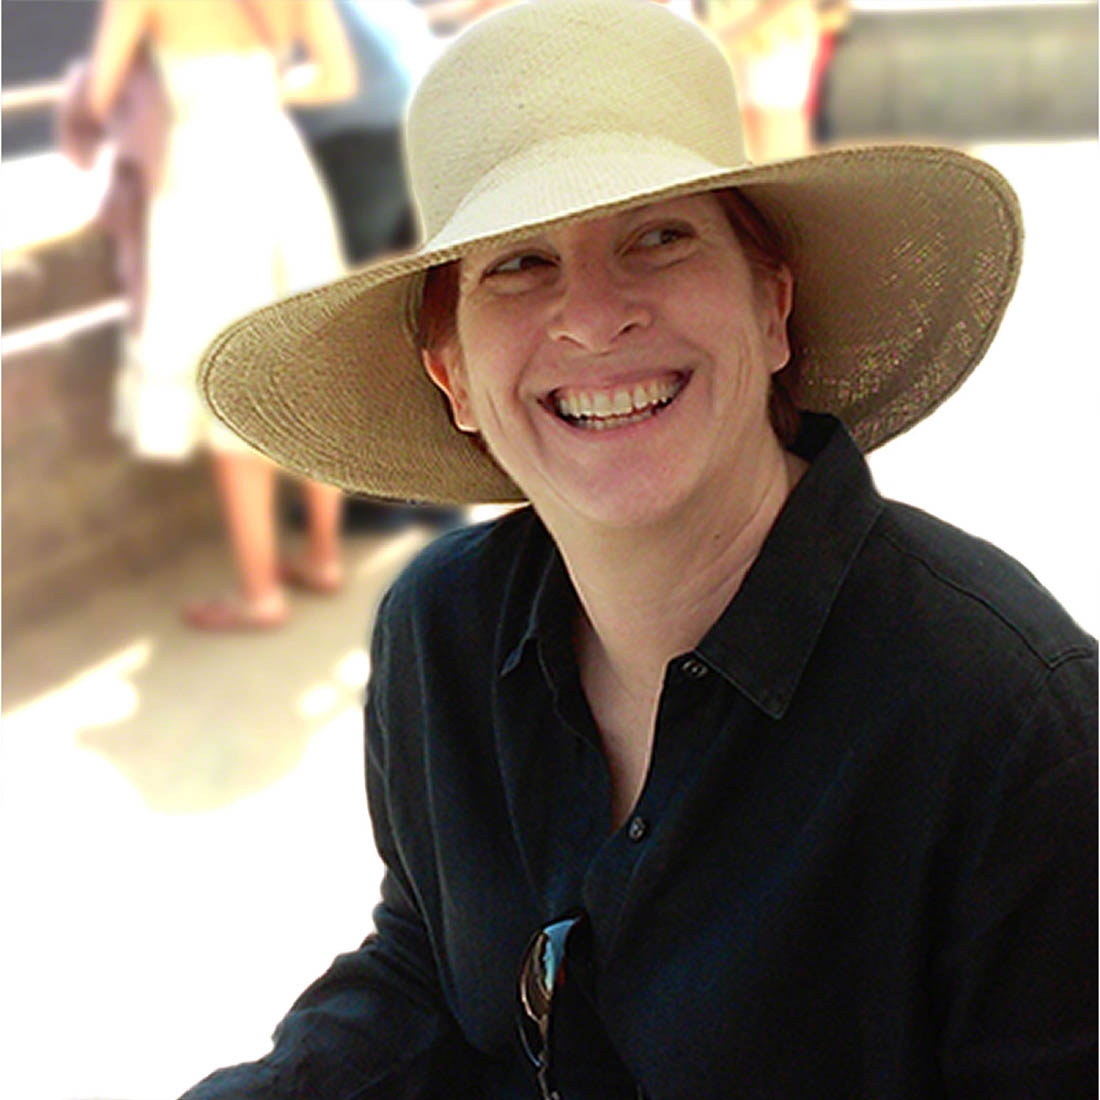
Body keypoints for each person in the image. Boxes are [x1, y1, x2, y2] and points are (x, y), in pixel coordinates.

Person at [182, 0, 1096, 1095]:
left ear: (772, 307)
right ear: (453, 375)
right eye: (517, 263)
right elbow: (429, 966)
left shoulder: (1005, 719)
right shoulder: (441, 629)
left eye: (658, 235)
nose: (593, 316)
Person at [85, 0, 355, 629]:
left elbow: (99, 97)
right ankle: (322, 556)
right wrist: (266, 92)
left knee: (225, 379)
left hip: (201, 183)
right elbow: (337, 80)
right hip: (280, 168)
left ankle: (260, 594)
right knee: (305, 363)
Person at [696, 0, 849, 161]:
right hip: (739, 43)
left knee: (776, 133)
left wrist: (739, 28)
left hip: (773, 42)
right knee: (748, 133)